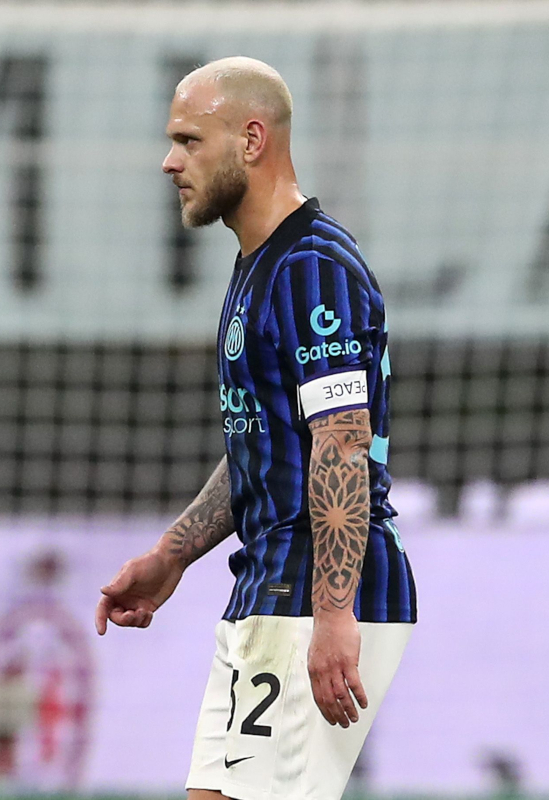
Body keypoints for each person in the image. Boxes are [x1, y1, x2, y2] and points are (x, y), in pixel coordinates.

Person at [95, 56, 416, 800]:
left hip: (313, 585)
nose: (169, 161)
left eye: (188, 140)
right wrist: (172, 554)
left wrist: (333, 613)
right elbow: (265, 444)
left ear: (251, 138)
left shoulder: (312, 266)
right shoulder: (259, 264)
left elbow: (341, 440)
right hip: (269, 583)